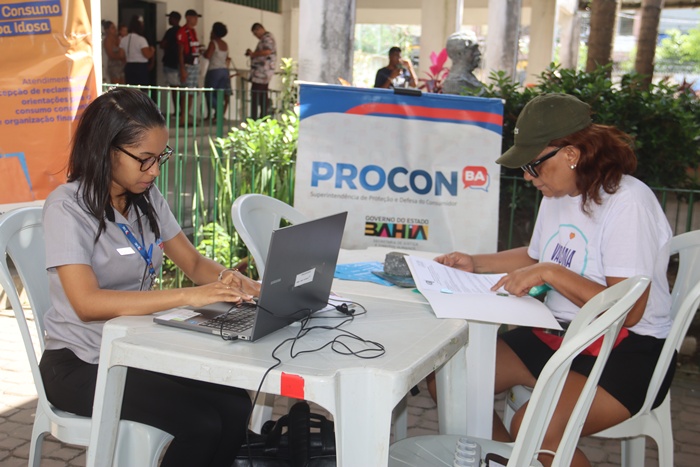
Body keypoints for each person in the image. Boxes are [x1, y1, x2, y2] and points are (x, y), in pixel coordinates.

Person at [435, 93, 676, 467]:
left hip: (629, 349)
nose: (528, 178)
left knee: (536, 426)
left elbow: (627, 311)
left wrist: (551, 273)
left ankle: (527, 457)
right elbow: (536, 256)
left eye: (533, 165)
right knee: (450, 384)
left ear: (571, 153)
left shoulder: (627, 202)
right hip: (559, 333)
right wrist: (475, 263)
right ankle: (508, 462)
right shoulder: (559, 193)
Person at [38, 88, 260, 467]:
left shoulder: (146, 196)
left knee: (235, 404)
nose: (155, 171)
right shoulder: (67, 206)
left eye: (160, 158)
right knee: (200, 424)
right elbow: (87, 304)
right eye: (144, 159)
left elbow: (191, 261)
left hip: (134, 348)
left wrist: (234, 282)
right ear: (106, 149)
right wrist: (188, 297)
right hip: (79, 363)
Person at [245, 23, 276, 120]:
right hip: (261, 72)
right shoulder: (265, 38)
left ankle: (256, 118)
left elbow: (267, 51)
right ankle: (263, 116)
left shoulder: (267, 38)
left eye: (255, 33)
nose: (256, 36)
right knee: (261, 95)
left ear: (259, 29)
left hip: (262, 73)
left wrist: (254, 54)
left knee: (256, 94)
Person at [177, 9, 202, 126]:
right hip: (187, 66)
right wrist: (182, 69)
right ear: (188, 17)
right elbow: (180, 51)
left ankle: (186, 117)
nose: (196, 20)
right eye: (194, 17)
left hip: (194, 65)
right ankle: (183, 118)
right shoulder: (183, 31)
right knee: (186, 92)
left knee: (191, 92)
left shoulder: (193, 31)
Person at [204, 22, 232, 121]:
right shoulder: (225, 44)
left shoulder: (213, 43)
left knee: (209, 93)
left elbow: (208, 55)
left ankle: (217, 110)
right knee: (219, 94)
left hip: (214, 71)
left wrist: (202, 52)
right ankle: (218, 115)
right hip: (224, 71)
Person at [120, 15, 155, 86]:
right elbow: (147, 54)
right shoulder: (141, 40)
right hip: (140, 68)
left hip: (129, 66)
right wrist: (152, 50)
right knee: (141, 90)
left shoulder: (124, 39)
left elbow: (121, 55)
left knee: (131, 90)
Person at [160, 11, 182, 90]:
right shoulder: (182, 31)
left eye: (170, 18)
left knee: (174, 86)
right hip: (180, 63)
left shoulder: (171, 31)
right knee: (179, 86)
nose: (169, 20)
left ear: (174, 19)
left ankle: (176, 102)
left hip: (170, 61)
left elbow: (163, 44)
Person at [102, 20, 125, 84]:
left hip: (121, 65)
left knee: (123, 84)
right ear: (107, 30)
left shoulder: (118, 38)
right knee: (116, 86)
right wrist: (120, 57)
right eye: (112, 28)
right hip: (114, 66)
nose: (115, 29)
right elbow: (111, 54)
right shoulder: (107, 40)